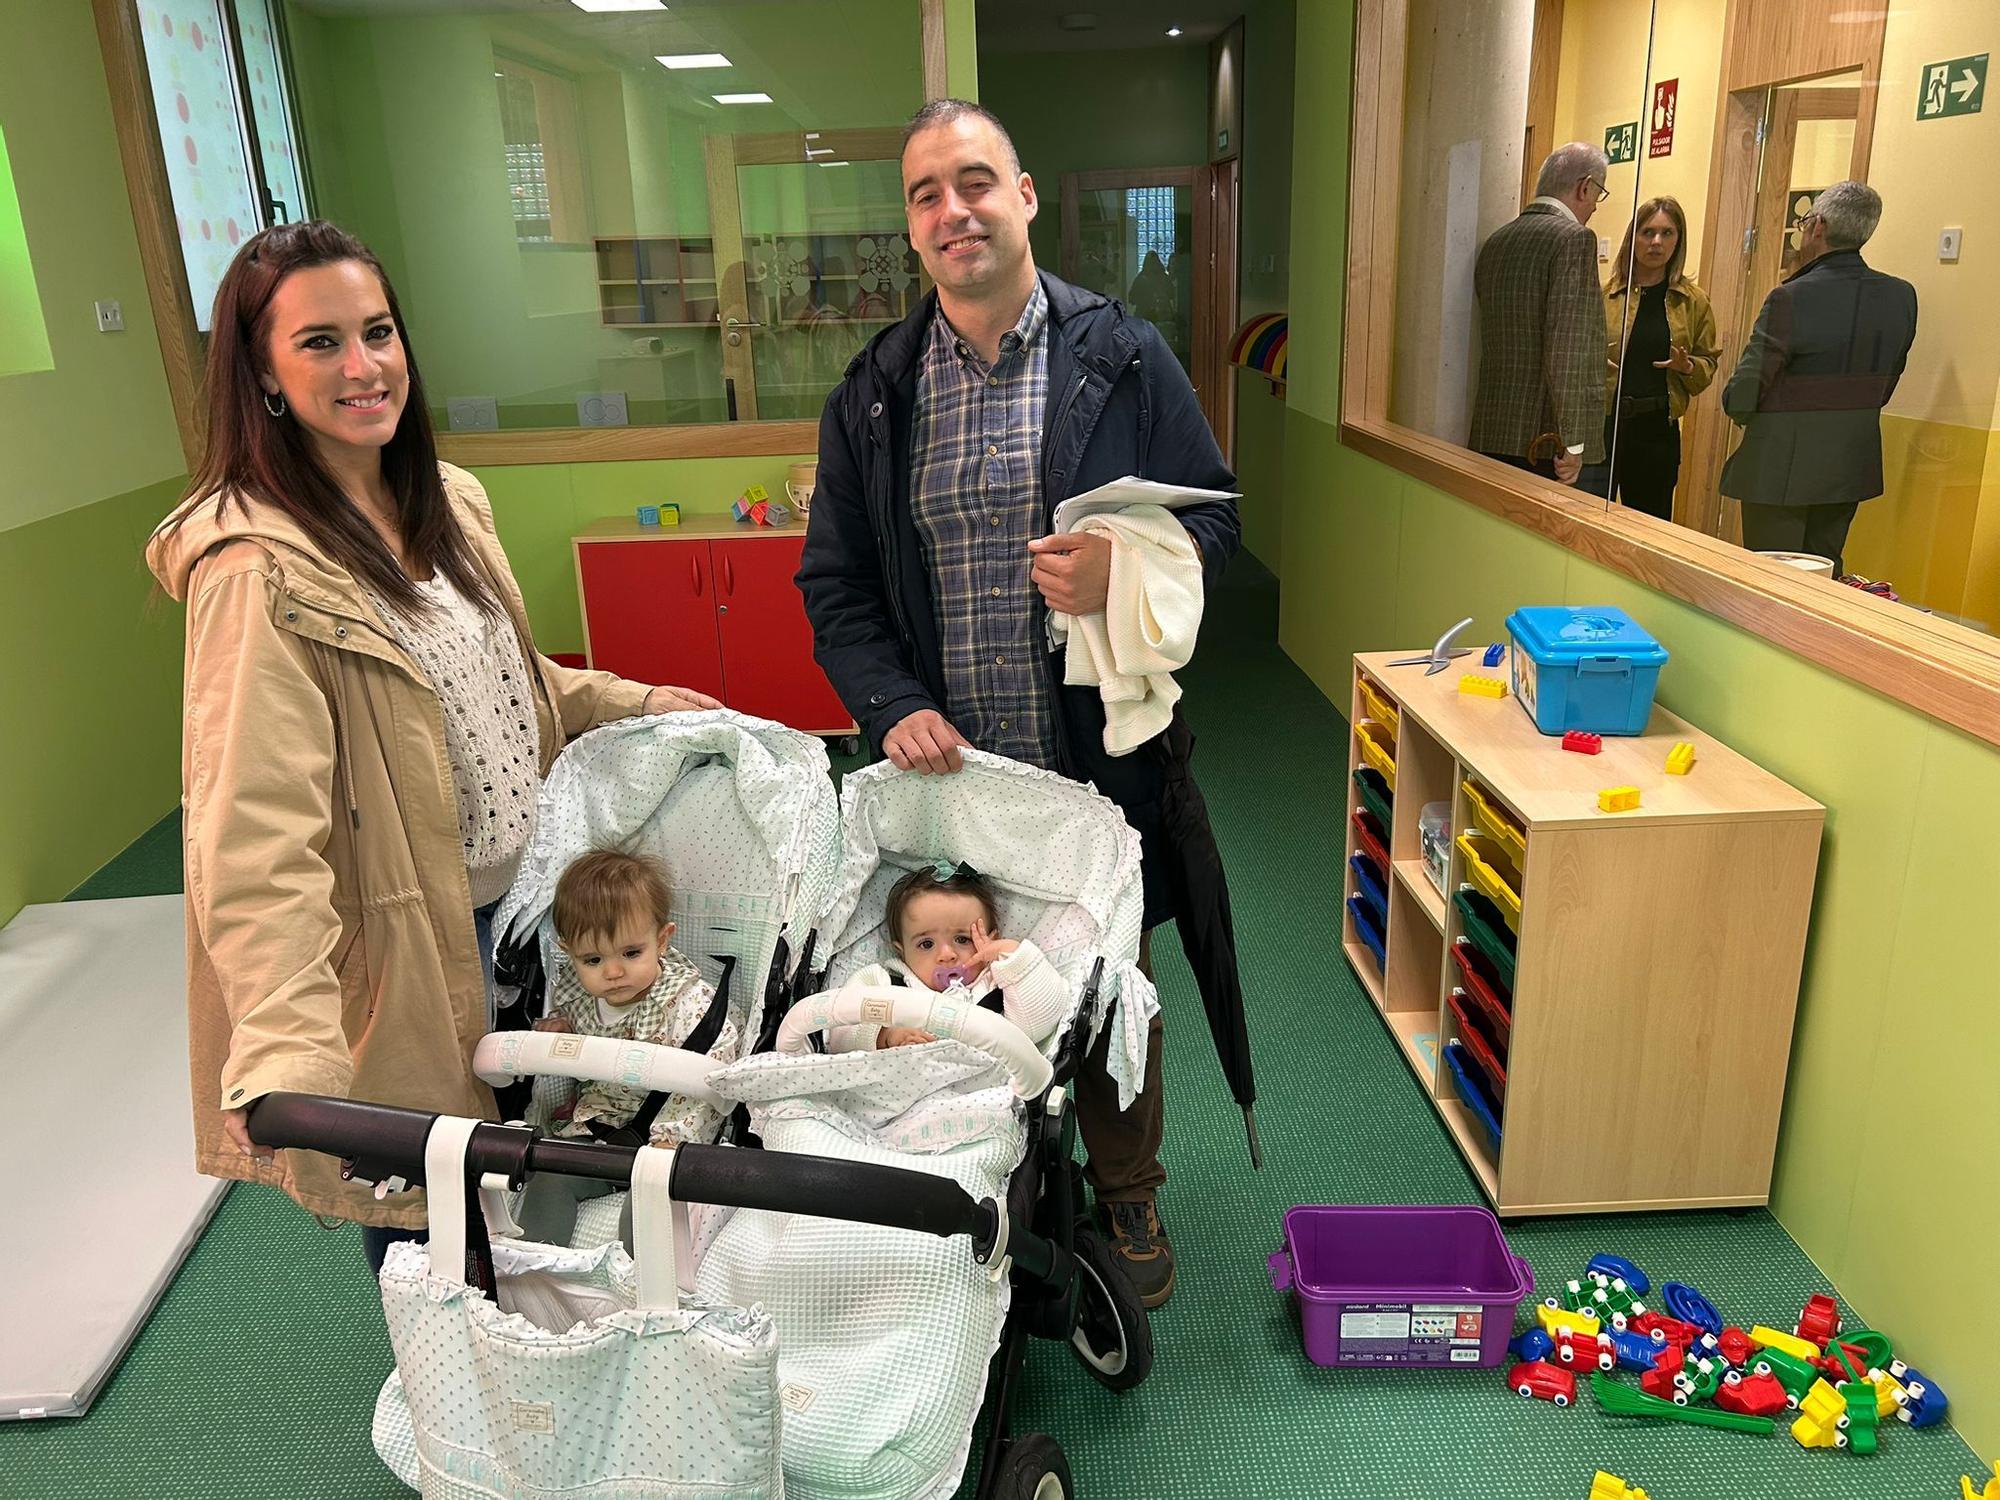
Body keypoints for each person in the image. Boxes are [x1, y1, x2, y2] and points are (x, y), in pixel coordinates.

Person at [146, 221, 719, 1271]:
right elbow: (251, 830)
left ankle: (551, 1363)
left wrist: (639, 697)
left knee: (530, 1151)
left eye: (377, 332)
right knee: (431, 1203)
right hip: (408, 939)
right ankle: (463, 1404)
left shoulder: (447, 502)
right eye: (319, 342)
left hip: (520, 911)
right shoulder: (256, 571)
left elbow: (505, 682)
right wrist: (278, 1041)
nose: (363, 366)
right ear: (262, 375)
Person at [797, 98, 1241, 1309]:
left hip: (1091, 765)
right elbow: (832, 582)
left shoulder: (1120, 357)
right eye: (926, 194)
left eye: (975, 182)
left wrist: (1127, 571)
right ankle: (967, 1182)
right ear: (910, 226)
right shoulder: (877, 393)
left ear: (1025, 195)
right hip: (949, 782)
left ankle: (1126, 1181)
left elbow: (1215, 518)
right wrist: (886, 701)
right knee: (947, 974)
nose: (954, 210)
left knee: (1104, 973)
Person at [1721, 180, 1918, 575]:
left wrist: (1747, 410)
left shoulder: (1791, 297)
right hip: (1850, 462)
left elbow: (1742, 394)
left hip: (1779, 467)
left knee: (1773, 583)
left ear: (1819, 226)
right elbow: (1887, 383)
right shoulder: (1902, 296)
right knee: (1828, 579)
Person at [530, 849, 738, 1146]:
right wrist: (563, 1034)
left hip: (665, 1128)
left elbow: (712, 1069)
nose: (613, 972)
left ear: (661, 940)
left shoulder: (688, 1006)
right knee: (549, 1180)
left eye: (631, 953)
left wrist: (674, 1137)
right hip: (594, 1128)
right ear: (569, 955)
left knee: (657, 1185)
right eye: (592, 960)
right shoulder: (576, 1002)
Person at [1469, 143, 1611, 484]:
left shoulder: (1496, 242)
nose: (1594, 206)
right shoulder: (1574, 240)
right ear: (1585, 186)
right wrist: (1574, 441)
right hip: (1545, 441)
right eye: (1598, 194)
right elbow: (1568, 347)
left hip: (1492, 429)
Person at [1581, 195, 1721, 520]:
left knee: (1649, 526)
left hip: (1656, 431)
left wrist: (1688, 366)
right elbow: (1578, 354)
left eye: (1667, 233)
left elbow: (1707, 364)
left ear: (1678, 240)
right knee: (1587, 517)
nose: (1656, 242)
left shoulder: (1692, 302)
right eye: (1647, 232)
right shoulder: (1605, 296)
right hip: (1604, 423)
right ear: (1633, 238)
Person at [837, 862, 1068, 1051]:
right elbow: (838, 1030)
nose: (947, 955)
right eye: (926, 944)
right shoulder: (885, 983)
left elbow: (1041, 1025)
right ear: (902, 951)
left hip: (979, 1095)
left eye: (963, 939)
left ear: (991, 940)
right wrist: (884, 1036)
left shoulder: (998, 986)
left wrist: (1012, 955)